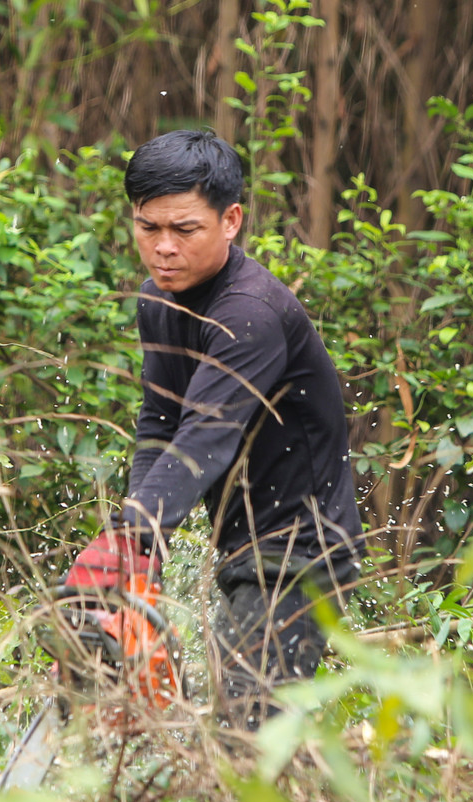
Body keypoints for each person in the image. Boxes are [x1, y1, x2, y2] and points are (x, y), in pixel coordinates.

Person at [62, 130, 362, 730]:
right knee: (189, 721)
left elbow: (206, 436)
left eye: (184, 230)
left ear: (231, 220)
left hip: (302, 547)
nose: (163, 248)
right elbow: (160, 424)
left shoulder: (249, 313)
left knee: (247, 727)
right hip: (242, 542)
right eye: (149, 228)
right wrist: (139, 547)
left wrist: (131, 537)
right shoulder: (159, 301)